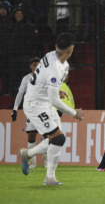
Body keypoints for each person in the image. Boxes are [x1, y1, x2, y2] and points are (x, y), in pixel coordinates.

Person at [19, 32, 84, 185]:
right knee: (58, 138)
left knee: (56, 139)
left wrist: (56, 91)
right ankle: (49, 178)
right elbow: (54, 100)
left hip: (44, 101)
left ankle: (28, 155)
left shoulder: (52, 57)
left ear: (56, 46)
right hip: (35, 105)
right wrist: (75, 113)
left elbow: (46, 83)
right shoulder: (55, 68)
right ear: (71, 50)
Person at [12, 57, 42, 168]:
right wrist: (15, 109)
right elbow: (20, 94)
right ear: (30, 66)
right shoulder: (26, 79)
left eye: (38, 64)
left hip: (44, 109)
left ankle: (48, 160)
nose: (36, 67)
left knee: (50, 135)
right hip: (32, 111)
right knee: (31, 135)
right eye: (34, 65)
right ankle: (33, 162)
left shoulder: (45, 77)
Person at [0, 0, 12, 96]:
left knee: (5, 71)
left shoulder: (11, 21)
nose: (2, 11)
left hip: (7, 50)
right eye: (1, 9)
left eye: (4, 9)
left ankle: (6, 89)